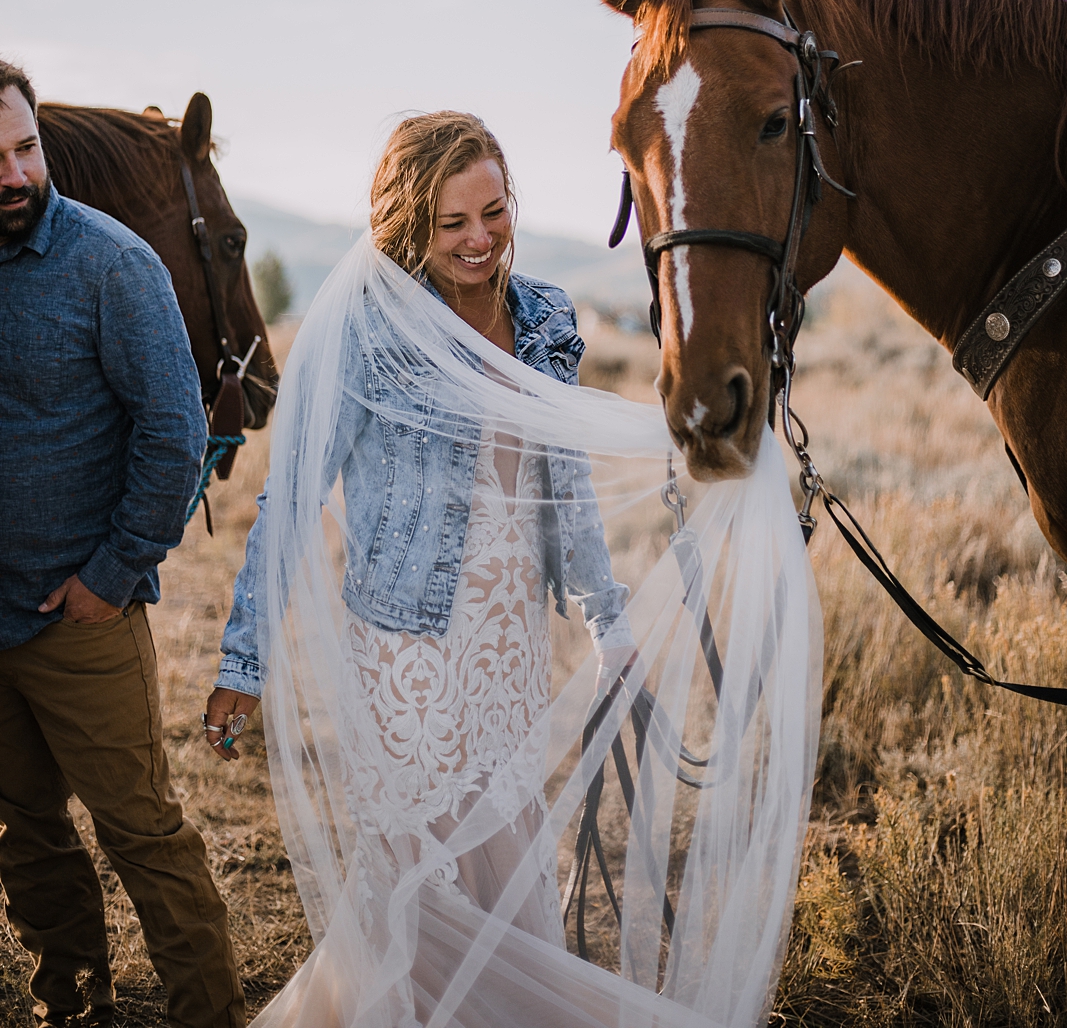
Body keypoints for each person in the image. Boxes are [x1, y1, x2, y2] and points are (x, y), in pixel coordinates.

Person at [203, 111, 821, 1028]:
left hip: (508, 645)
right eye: (453, 224)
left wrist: (609, 624)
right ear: (410, 224)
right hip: (406, 650)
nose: (480, 239)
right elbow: (289, 500)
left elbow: (562, 488)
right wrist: (243, 665)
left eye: (493, 212)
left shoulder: (541, 314)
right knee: (419, 874)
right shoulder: (369, 330)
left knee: (505, 846)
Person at [0, 61, 246, 1028]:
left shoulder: (111, 265)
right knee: (26, 833)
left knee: (143, 832)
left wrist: (110, 577)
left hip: (79, 619)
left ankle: (209, 1013)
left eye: (25, 149)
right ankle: (73, 999)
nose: (14, 174)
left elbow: (174, 433)